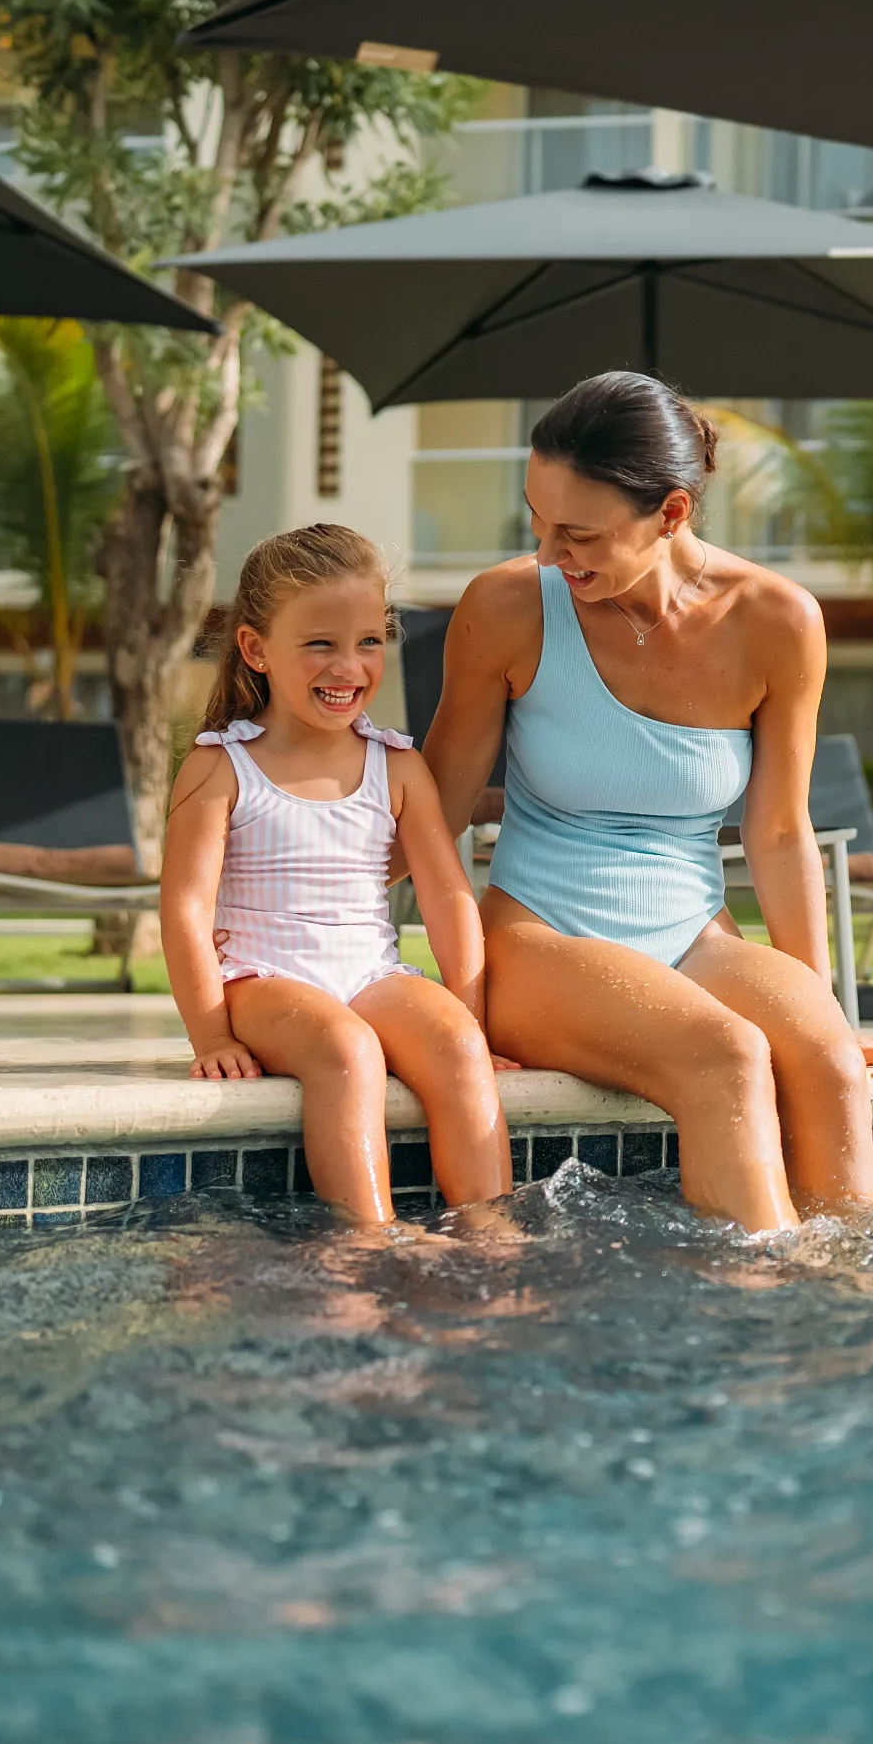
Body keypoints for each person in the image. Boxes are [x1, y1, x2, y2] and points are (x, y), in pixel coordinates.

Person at [421, 372, 873, 1237]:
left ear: (671, 513)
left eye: (579, 533)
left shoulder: (777, 620)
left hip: (693, 933)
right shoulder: (508, 607)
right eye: (536, 519)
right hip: (539, 935)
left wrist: (820, 1011)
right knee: (727, 1056)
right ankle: (754, 1317)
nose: (547, 551)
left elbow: (781, 831)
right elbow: (432, 814)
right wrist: (442, 996)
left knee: (826, 1063)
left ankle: (853, 1319)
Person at [161, 523, 514, 1228]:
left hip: (369, 973)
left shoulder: (397, 767)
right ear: (256, 649)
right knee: (348, 1053)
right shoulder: (221, 767)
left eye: (369, 642)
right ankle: (366, 1238)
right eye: (320, 644)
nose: (347, 666)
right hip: (261, 979)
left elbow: (447, 896)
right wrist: (212, 1036)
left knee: (453, 1046)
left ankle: (489, 1235)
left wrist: (468, 1015)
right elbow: (185, 912)